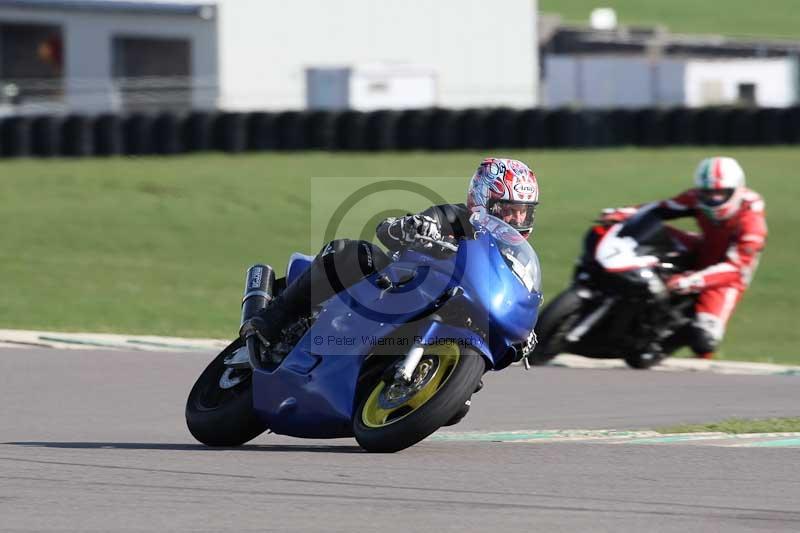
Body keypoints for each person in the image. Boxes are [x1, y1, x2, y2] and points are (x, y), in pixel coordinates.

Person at [240, 158, 540, 348]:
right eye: (508, 210)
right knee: (350, 253)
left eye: (523, 213)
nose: (516, 220)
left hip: (449, 317)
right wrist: (410, 226)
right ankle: (271, 319)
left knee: (459, 406)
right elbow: (390, 231)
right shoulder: (454, 217)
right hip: (398, 289)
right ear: (482, 200)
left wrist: (524, 331)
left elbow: (515, 295)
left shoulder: (514, 258)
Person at [600, 156, 767, 359]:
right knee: (648, 233)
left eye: (720, 193)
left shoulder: (752, 224)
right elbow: (661, 208)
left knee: (704, 341)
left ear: (737, 190)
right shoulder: (695, 198)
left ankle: (658, 348)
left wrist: (690, 281)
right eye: (708, 192)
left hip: (726, 278)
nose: (713, 199)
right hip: (702, 248)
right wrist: (624, 213)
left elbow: (736, 268)